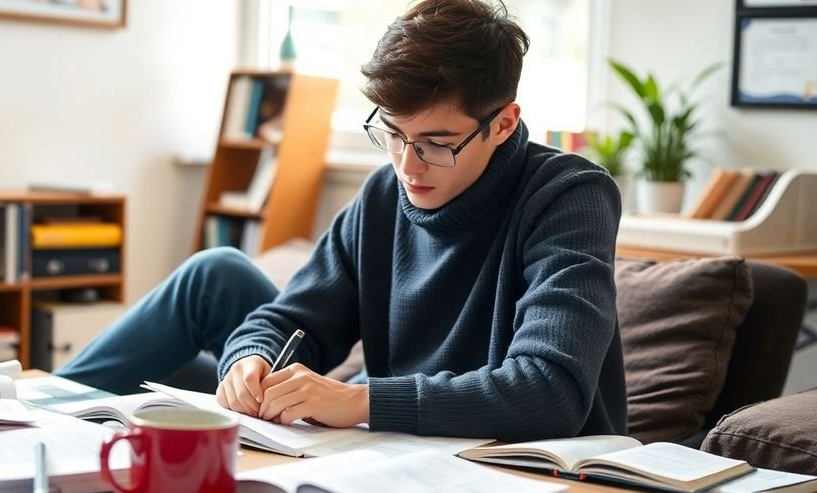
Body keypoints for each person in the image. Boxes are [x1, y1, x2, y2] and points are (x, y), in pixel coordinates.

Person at [57, 0, 626, 441]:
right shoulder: (385, 192)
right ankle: (29, 417)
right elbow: (292, 318)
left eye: (436, 143)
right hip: (388, 434)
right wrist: (248, 360)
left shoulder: (571, 197)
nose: (408, 165)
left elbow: (550, 390)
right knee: (215, 276)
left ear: (502, 125)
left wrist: (361, 401)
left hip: (504, 458)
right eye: (394, 135)